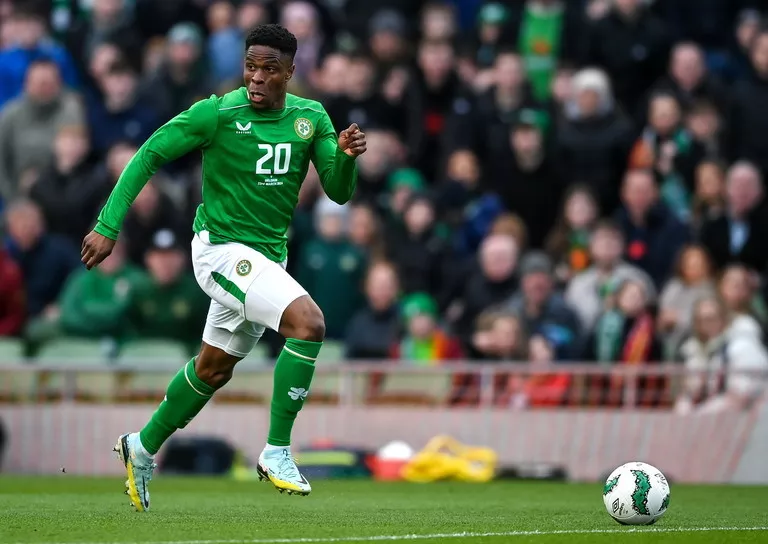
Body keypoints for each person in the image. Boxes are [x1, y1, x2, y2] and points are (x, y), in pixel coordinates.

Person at [80, 24, 367, 509]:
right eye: (250, 67)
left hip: (265, 261)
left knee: (212, 370)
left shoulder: (310, 117)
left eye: (268, 69)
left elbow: (338, 191)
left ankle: (141, 446)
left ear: (290, 73)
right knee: (309, 323)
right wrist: (109, 224)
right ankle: (276, 451)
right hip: (219, 253)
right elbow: (148, 154)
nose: (256, 78)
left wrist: (345, 157)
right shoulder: (216, 113)